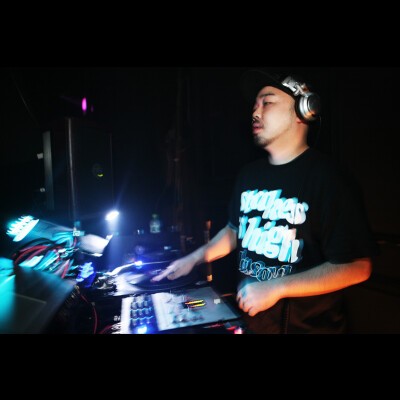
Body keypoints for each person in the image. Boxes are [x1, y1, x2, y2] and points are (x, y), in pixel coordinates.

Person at [152, 68, 379, 333]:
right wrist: (193, 259)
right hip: (254, 325)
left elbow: (357, 266)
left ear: (304, 111)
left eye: (267, 102)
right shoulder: (248, 175)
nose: (255, 112)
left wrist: (276, 287)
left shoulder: (329, 178)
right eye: (255, 105)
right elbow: (234, 231)